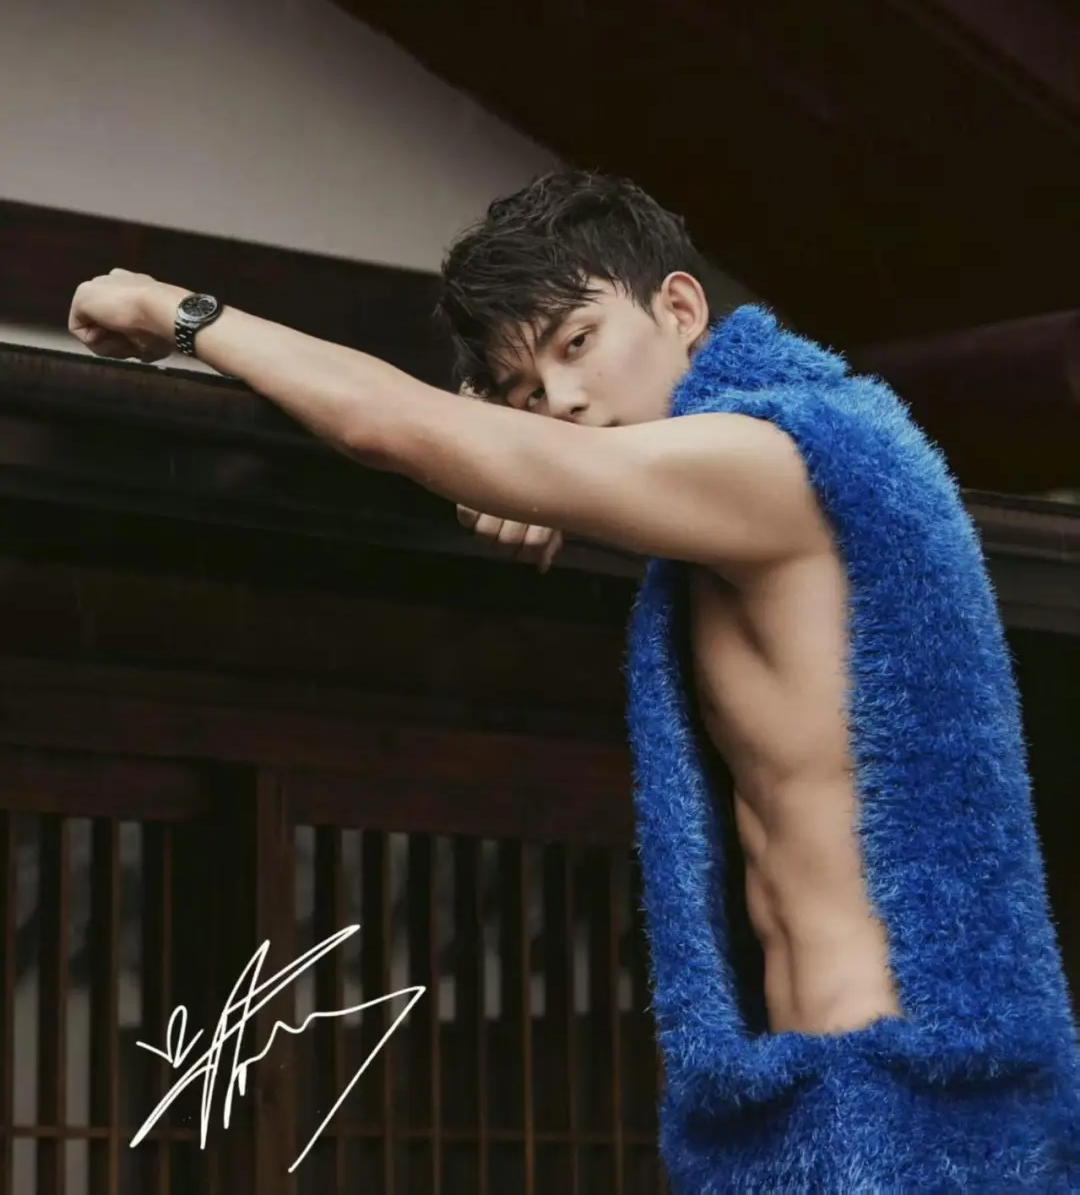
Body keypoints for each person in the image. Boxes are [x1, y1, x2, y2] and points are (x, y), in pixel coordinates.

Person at [68, 168, 1080, 1192]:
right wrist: (524, 462)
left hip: (905, 1111)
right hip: (831, 1103)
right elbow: (478, 442)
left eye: (578, 341)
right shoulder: (776, 474)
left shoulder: (777, 457)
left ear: (680, 307)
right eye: (526, 389)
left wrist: (179, 312)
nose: (561, 401)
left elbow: (394, 425)